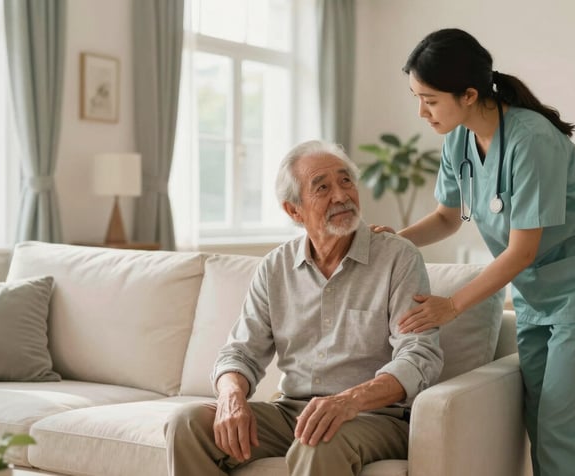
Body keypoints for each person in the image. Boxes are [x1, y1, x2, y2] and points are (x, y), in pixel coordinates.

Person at [370, 28, 575, 476]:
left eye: (430, 99)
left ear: (469, 94)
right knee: (537, 424)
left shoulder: (531, 140)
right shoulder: (458, 139)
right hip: (536, 297)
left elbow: (521, 251)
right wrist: (394, 239)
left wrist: (450, 306)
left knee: (565, 435)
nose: (421, 111)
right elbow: (447, 217)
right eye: (417, 97)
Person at [165, 140, 443, 476]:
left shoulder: (398, 257)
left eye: (346, 181)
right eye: (322, 187)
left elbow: (419, 356)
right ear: (294, 211)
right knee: (188, 424)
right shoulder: (275, 267)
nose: (340, 195)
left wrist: (348, 401)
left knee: (319, 439)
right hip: (292, 413)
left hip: (374, 416)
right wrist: (230, 397)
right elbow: (239, 353)